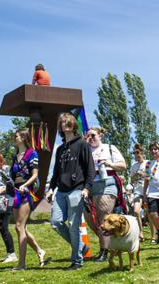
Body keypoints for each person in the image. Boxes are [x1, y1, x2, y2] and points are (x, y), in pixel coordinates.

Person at [46, 112, 94, 271]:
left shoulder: (82, 144)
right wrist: (51, 189)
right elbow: (56, 173)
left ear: (74, 125)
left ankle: (77, 261)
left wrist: (87, 188)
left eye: (68, 121)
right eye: (62, 122)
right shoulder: (60, 149)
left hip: (77, 190)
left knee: (74, 225)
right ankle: (82, 246)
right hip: (61, 191)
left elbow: (90, 169)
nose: (65, 124)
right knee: (56, 222)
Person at [8, 129, 50, 270]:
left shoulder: (32, 153)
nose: (16, 137)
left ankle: (21, 264)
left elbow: (34, 175)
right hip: (16, 191)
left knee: (20, 227)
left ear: (24, 138)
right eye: (15, 135)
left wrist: (25, 186)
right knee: (19, 227)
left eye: (18, 135)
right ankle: (39, 250)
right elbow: (12, 177)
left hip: (26, 192)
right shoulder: (15, 157)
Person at [84, 126, 127, 261]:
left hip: (107, 183)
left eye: (93, 136)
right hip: (90, 186)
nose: (90, 138)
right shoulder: (85, 151)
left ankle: (104, 251)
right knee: (90, 219)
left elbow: (123, 165)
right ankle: (113, 243)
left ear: (100, 136)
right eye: (88, 136)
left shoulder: (109, 148)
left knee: (103, 216)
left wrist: (109, 163)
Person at [128, 144, 149, 240]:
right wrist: (135, 176)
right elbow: (131, 180)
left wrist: (143, 174)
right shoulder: (133, 165)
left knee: (150, 213)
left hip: (149, 191)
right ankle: (140, 233)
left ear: (142, 153)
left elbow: (152, 176)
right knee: (136, 211)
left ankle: (156, 234)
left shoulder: (148, 163)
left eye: (138, 153)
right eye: (134, 153)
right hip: (137, 191)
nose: (136, 155)